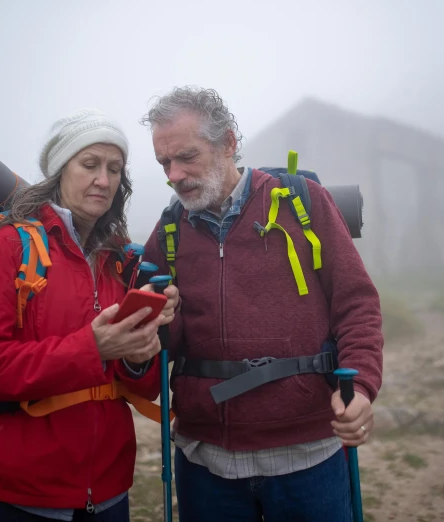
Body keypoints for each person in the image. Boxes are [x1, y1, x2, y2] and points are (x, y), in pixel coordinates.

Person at [139, 87, 384, 521]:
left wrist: (361, 386)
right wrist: (159, 321)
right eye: (164, 163)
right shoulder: (169, 231)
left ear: (229, 143)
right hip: (205, 461)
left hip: (308, 454)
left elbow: (357, 304)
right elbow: (163, 344)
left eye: (186, 157)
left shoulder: (302, 203)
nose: (174, 175)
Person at [0, 109, 179, 522]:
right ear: (59, 171)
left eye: (114, 169)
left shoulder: (120, 260)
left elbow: (144, 388)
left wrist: (136, 350)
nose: (104, 180)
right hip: (19, 492)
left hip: (110, 489)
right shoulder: (6, 245)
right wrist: (92, 348)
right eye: (89, 165)